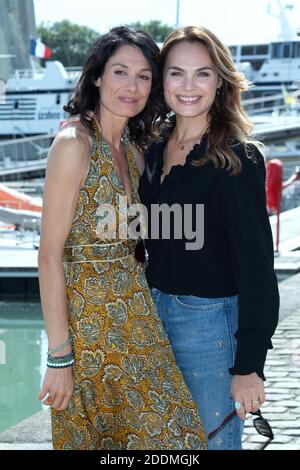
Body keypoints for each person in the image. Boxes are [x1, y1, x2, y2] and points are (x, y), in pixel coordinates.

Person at [37, 26, 207, 451]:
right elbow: (48, 257)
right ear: (97, 76)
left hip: (140, 323)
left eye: (144, 75)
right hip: (90, 336)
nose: (131, 86)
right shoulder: (73, 145)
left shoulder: (133, 149)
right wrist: (59, 357)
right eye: (120, 72)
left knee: (181, 439)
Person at [138, 26, 280, 450]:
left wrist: (250, 366)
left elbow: (257, 268)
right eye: (177, 73)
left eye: (202, 74)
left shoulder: (236, 159)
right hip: (154, 314)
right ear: (162, 80)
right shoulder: (152, 150)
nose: (188, 86)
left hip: (210, 325)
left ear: (219, 81)